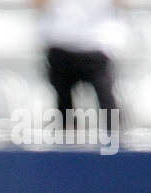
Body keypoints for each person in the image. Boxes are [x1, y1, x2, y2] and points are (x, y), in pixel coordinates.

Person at [34, 0, 121, 138]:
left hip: (96, 44)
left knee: (108, 106)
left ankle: (117, 149)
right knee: (64, 109)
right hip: (61, 43)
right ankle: (65, 153)